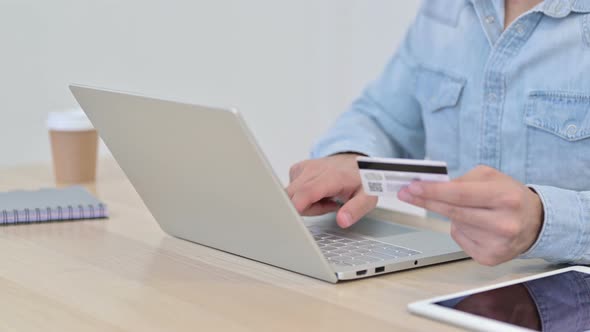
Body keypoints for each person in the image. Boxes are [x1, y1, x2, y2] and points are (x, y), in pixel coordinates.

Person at [286, 0, 590, 266]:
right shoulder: (443, 7)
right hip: (447, 287)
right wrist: (351, 156)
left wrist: (543, 220)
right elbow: (383, 116)